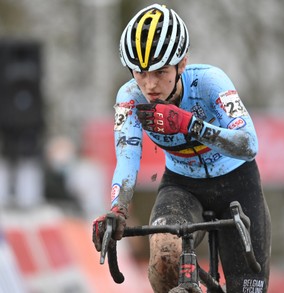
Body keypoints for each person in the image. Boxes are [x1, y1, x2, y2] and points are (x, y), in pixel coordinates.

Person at [92, 3, 271, 292]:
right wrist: (118, 210)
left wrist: (190, 124)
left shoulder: (211, 82)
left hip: (237, 183)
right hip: (182, 187)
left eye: (160, 72)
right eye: (140, 72)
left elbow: (248, 145)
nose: (149, 84)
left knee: (247, 287)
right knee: (163, 258)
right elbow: (126, 158)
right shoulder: (129, 97)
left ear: (182, 63)